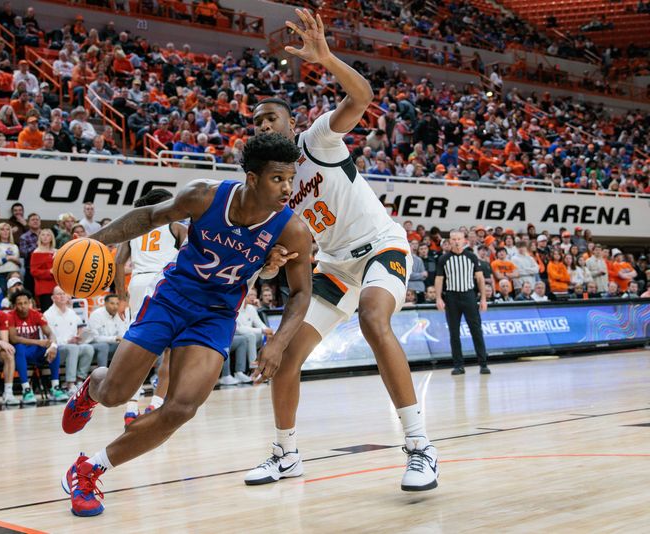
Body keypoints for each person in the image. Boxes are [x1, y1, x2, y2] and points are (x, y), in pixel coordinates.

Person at [60, 133, 312, 517]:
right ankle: (94, 386)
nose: (287, 187)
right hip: (171, 297)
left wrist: (277, 343)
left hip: (217, 314)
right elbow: (148, 217)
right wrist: (91, 243)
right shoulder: (205, 196)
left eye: (291, 179)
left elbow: (300, 294)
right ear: (252, 178)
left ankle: (90, 469)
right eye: (278, 178)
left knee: (182, 408)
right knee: (115, 393)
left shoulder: (291, 228)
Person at [244, 9, 438, 491]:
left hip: (380, 247)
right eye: (255, 121)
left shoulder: (317, 141)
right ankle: (285, 453)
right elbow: (275, 267)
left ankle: (419, 447)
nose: (262, 124)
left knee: (374, 317)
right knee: (287, 354)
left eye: (271, 117)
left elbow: (363, 97)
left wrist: (325, 57)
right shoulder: (268, 192)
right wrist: (273, 263)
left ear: (290, 125)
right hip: (335, 265)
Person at [113, 188, 187, 425]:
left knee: (138, 346)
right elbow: (192, 249)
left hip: (137, 283)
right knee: (170, 348)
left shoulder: (134, 227)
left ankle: (131, 407)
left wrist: (122, 297)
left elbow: (117, 262)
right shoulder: (175, 225)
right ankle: (155, 404)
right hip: (164, 281)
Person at [434, 230, 489, 375]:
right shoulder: (443, 258)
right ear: (450, 241)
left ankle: (483, 364)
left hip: (469, 296)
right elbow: (439, 279)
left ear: (464, 240)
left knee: (476, 330)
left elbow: (480, 278)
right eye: (453, 239)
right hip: (451, 298)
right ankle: (458, 365)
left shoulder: (471, 256)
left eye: (459, 239)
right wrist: (438, 298)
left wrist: (483, 298)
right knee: (454, 333)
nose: (456, 241)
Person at [8, 289, 69, 403]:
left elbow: (50, 333)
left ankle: (55, 387)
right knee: (19, 347)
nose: (23, 306)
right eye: (20, 304)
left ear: (30, 302)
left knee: (54, 349)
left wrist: (53, 346)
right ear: (15, 305)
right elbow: (13, 338)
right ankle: (26, 389)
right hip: (19, 353)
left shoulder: (36, 314)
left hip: (34, 351)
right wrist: (38, 342)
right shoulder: (10, 316)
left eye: (25, 303)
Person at [44, 286, 95, 395]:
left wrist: (80, 336)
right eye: (59, 294)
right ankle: (70, 384)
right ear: (53, 298)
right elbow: (49, 339)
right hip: (57, 350)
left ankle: (79, 380)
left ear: (68, 296)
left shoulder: (72, 312)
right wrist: (68, 341)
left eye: (64, 293)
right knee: (72, 348)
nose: (62, 296)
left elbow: (81, 328)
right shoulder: (48, 315)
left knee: (88, 348)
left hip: (73, 346)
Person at [0, 222, 22, 292]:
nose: (5, 232)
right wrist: (9, 258)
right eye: (2, 229)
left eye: (7, 229)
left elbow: (18, 262)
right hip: (0, 275)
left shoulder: (14, 246)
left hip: (14, 273)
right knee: (3, 293)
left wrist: (5, 259)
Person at [30, 228, 57, 311]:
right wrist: (49, 272)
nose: (45, 237)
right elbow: (34, 271)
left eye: (48, 235)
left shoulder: (56, 252)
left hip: (57, 286)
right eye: (43, 235)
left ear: (51, 238)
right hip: (44, 288)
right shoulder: (36, 253)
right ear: (40, 237)